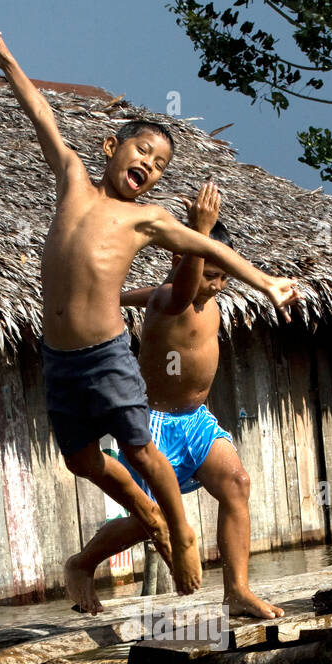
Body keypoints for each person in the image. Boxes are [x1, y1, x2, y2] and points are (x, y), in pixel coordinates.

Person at [0, 17, 301, 606]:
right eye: (143, 152)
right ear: (111, 148)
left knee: (139, 449)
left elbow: (209, 249)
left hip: (105, 354)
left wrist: (266, 281)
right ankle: (150, 514)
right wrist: (7, 60)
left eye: (159, 166)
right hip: (59, 359)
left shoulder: (145, 219)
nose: (149, 165)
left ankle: (180, 531)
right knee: (80, 460)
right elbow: (43, 117)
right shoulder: (73, 178)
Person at [65, 183, 285, 620]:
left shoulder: (187, 296)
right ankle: (82, 563)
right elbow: (173, 292)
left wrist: (119, 298)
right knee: (148, 520)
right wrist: (197, 229)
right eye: (209, 275)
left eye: (224, 276)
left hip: (195, 421)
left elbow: (156, 292)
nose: (217, 285)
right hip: (156, 424)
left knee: (236, 484)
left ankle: (236, 591)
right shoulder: (177, 296)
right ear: (180, 261)